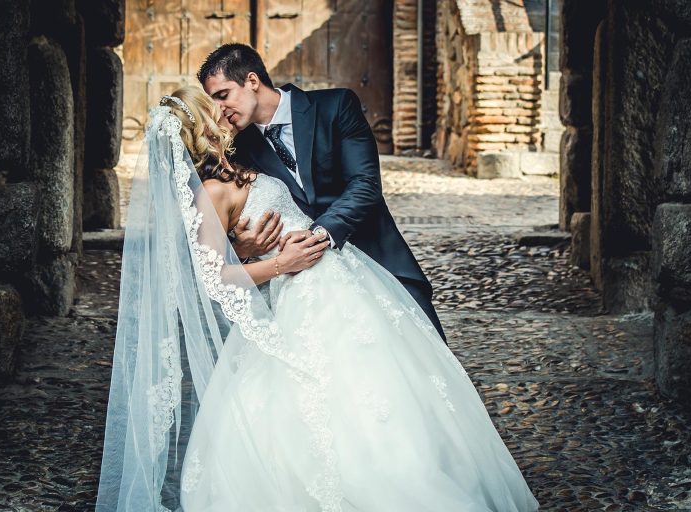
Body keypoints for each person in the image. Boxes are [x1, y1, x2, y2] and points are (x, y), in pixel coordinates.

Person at [95, 87, 539, 512]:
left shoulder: (242, 158)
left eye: (221, 100)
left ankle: (410, 464)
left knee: (380, 382)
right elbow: (214, 277)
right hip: (300, 292)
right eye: (214, 109)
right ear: (202, 130)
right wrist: (278, 263)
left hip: (342, 279)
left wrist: (251, 248)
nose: (224, 112)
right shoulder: (211, 192)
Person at [197, 43, 447, 342]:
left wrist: (319, 234)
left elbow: (365, 184)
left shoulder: (336, 106)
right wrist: (241, 250)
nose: (219, 108)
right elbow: (220, 226)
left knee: (424, 356)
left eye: (223, 95)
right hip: (304, 293)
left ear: (252, 80)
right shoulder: (235, 146)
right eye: (213, 100)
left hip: (377, 258)